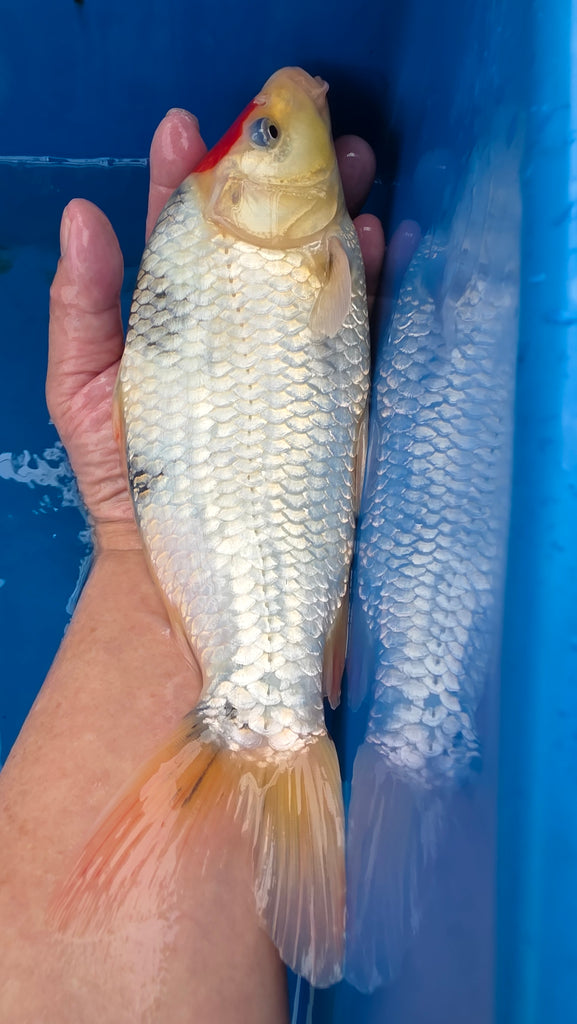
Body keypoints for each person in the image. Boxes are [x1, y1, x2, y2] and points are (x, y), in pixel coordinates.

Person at [0, 108, 388, 1023]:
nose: (292, 118)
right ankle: (260, 721)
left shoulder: (236, 237)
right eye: (270, 136)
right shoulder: (269, 246)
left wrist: (128, 540)